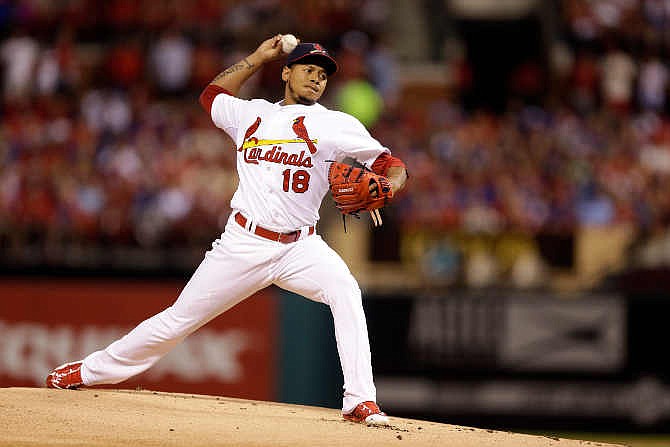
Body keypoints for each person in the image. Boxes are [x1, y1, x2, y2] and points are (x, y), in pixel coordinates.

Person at [46, 35, 408, 427]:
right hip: (243, 243)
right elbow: (211, 95)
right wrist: (256, 57)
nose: (316, 78)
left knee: (346, 291)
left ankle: (359, 400)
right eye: (308, 68)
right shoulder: (251, 115)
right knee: (177, 321)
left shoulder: (337, 124)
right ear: (287, 72)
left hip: (301, 247)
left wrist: (389, 186)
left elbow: (392, 164)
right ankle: (88, 372)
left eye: (322, 74)